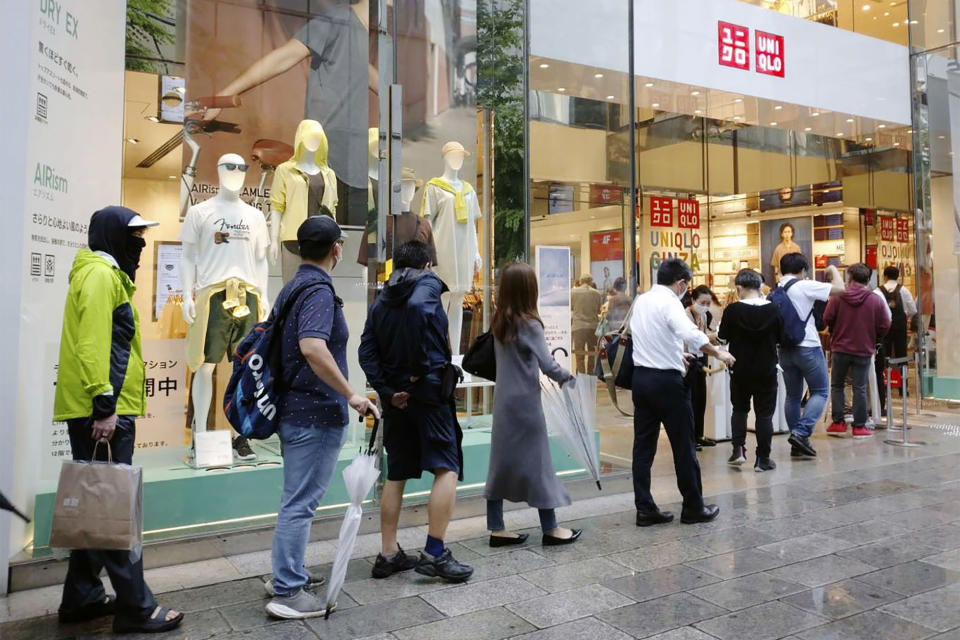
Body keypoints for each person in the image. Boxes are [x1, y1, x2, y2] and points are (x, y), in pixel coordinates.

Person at [53, 206, 184, 634]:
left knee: (99, 501)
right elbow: (93, 344)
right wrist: (104, 405)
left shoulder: (105, 274)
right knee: (115, 509)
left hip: (106, 408)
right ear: (111, 235)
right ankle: (136, 609)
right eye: (134, 236)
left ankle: (82, 596)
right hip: (103, 412)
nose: (141, 244)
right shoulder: (99, 276)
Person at [265, 216, 379, 619]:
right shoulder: (317, 290)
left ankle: (286, 572)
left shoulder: (294, 286)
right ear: (336, 249)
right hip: (313, 413)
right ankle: (288, 591)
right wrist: (350, 394)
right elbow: (312, 346)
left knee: (294, 499)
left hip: (296, 411)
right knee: (300, 503)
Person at [358, 241, 473, 583]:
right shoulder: (425, 285)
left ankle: (388, 553)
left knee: (396, 475)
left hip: (397, 400)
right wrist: (420, 372)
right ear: (425, 264)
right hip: (426, 394)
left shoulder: (381, 301)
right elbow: (422, 312)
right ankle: (434, 553)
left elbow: (367, 352)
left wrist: (388, 390)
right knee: (446, 466)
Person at [204, 0, 373, 225]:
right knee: (323, 241)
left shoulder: (364, 35)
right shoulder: (337, 21)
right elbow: (284, 56)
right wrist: (225, 96)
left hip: (358, 167)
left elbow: (372, 75)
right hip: (328, 160)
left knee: (354, 246)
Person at [631, 258, 735, 527]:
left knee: (643, 447)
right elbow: (690, 332)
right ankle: (693, 506)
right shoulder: (670, 303)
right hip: (667, 383)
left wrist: (677, 354)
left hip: (641, 378)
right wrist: (719, 352)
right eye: (685, 286)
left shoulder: (642, 300)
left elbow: (649, 336)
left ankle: (644, 508)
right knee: (683, 445)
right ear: (680, 283)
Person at [485, 262, 582, 547]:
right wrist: (570, 378)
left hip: (503, 402)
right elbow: (549, 365)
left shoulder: (498, 320)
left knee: (500, 464)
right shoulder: (530, 323)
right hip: (526, 404)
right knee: (539, 464)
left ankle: (497, 528)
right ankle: (551, 528)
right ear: (530, 290)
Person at [776, 253, 845, 458]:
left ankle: (798, 442)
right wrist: (833, 270)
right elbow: (841, 290)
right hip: (808, 346)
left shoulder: (777, 288)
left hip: (785, 349)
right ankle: (801, 432)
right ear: (803, 270)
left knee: (793, 396)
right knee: (821, 391)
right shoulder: (804, 285)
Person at [718, 269, 783, 471]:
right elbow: (781, 337)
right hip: (766, 369)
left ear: (739, 288)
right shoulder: (773, 310)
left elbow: (723, 337)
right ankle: (762, 459)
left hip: (740, 368)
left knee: (739, 410)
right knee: (764, 415)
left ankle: (738, 449)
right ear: (759, 286)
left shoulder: (732, 310)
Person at [825, 263, 892, 439]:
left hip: (840, 348)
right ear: (868, 280)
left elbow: (827, 318)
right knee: (860, 387)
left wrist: (835, 329)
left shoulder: (838, 298)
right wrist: (874, 336)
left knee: (837, 385)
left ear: (850, 278)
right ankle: (859, 426)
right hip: (864, 348)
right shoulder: (875, 299)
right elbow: (885, 324)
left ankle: (838, 423)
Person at [875, 265, 917, 416]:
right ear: (898, 276)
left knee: (883, 357)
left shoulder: (878, 291)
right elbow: (912, 310)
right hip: (899, 328)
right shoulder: (903, 290)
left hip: (883, 329)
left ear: (884, 276)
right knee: (901, 355)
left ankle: (884, 385)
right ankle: (902, 387)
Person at [684, 285, 719, 449]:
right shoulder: (685, 315)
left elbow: (703, 338)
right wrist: (710, 337)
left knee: (701, 398)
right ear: (693, 300)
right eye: (702, 302)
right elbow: (693, 337)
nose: (705, 306)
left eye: (707, 303)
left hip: (701, 358)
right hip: (688, 359)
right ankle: (690, 437)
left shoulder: (703, 317)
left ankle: (699, 434)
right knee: (690, 399)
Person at [571, 274, 603, 374]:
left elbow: (571, 308)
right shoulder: (597, 293)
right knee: (592, 354)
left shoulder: (573, 292)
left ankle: (581, 376)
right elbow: (599, 310)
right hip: (593, 327)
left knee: (579, 354)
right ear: (591, 282)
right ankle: (590, 375)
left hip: (578, 327)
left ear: (580, 281)